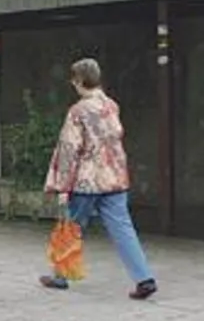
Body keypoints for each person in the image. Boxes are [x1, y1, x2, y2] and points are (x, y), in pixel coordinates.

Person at [40, 58, 158, 300]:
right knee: (123, 228)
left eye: (73, 80)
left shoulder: (78, 111)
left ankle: (60, 276)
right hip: (115, 178)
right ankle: (144, 278)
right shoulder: (112, 106)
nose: (73, 85)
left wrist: (63, 186)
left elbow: (69, 149)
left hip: (86, 181)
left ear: (79, 80)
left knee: (71, 226)